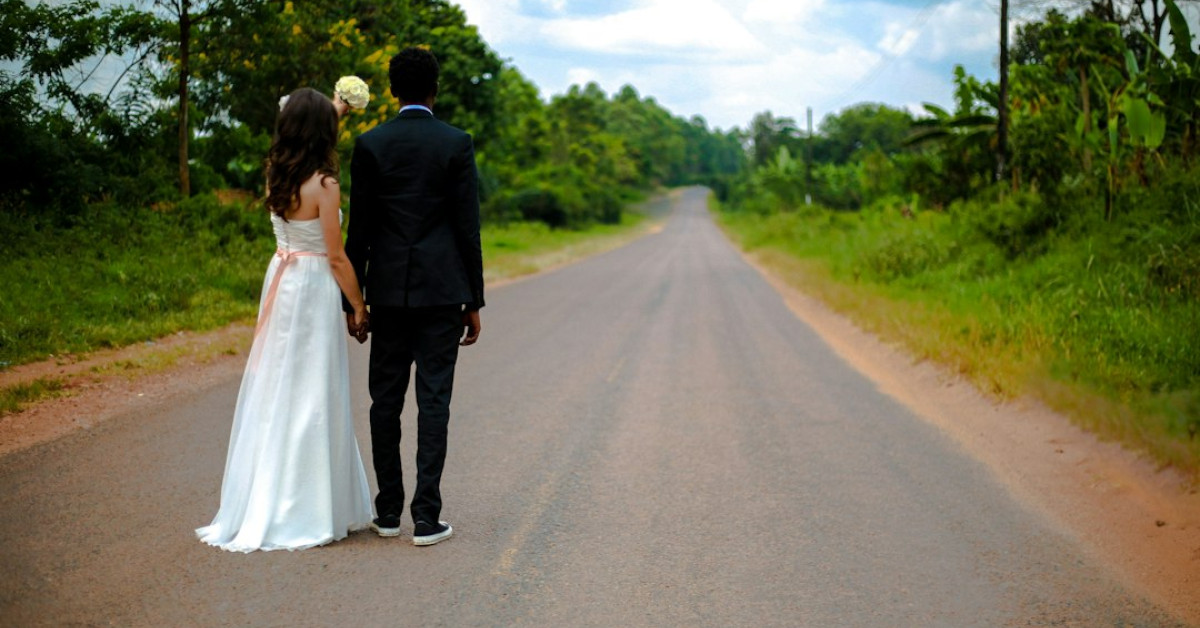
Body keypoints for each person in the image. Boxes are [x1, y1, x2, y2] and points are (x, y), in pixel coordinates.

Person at [197, 87, 374, 552]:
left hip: (282, 274)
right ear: (325, 131)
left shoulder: (276, 170)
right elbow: (336, 256)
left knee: (279, 385)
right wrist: (358, 305)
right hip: (313, 283)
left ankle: (265, 496)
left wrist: (335, 103)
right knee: (313, 387)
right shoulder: (326, 184)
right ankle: (307, 505)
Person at [343, 47, 484, 547]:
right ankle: (426, 517)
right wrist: (474, 300)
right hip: (444, 293)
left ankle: (386, 514)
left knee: (385, 402)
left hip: (387, 294)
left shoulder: (370, 144)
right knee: (433, 402)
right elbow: (468, 227)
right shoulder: (455, 143)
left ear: (391, 90)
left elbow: (357, 231)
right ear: (435, 89)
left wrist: (353, 302)